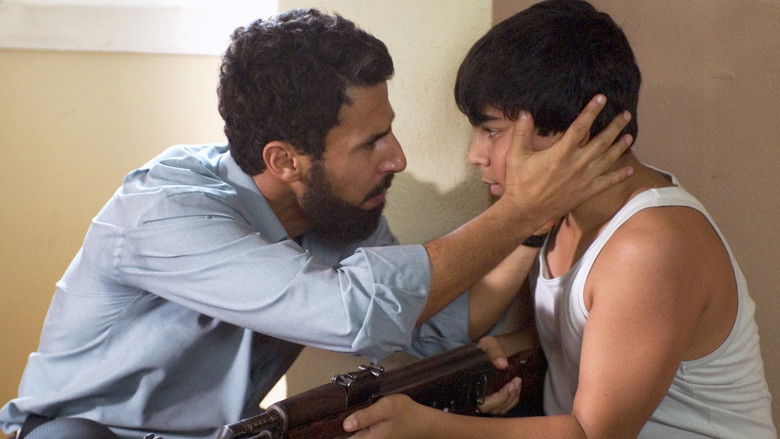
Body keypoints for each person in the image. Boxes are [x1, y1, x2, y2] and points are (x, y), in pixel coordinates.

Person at [0, 8, 634, 439]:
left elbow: (425, 328)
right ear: (285, 160)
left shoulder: (337, 212)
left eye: (390, 131)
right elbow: (351, 312)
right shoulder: (162, 214)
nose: (398, 159)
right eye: (371, 143)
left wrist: (533, 227)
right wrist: (518, 209)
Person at [341, 1, 778, 438]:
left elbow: (592, 434)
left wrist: (426, 427)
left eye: (491, 130)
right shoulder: (561, 213)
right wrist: (514, 349)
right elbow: (593, 335)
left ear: (573, 129)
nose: (475, 155)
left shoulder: (649, 247)